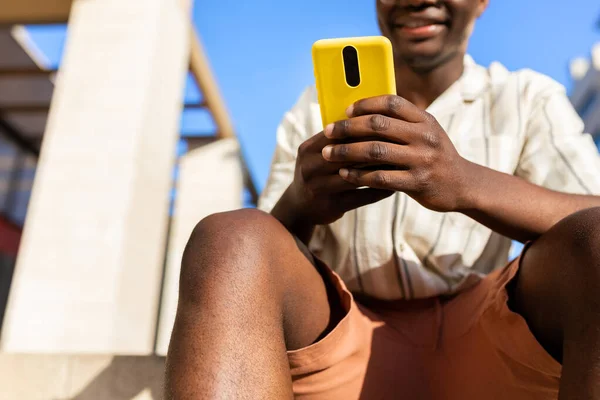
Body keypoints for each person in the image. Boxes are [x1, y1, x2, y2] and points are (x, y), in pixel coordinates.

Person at [165, 1, 600, 399]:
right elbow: (262, 262)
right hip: (343, 339)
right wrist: (301, 202)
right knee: (230, 237)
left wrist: (465, 182)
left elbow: (590, 218)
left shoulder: (524, 98)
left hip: (491, 343)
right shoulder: (317, 105)